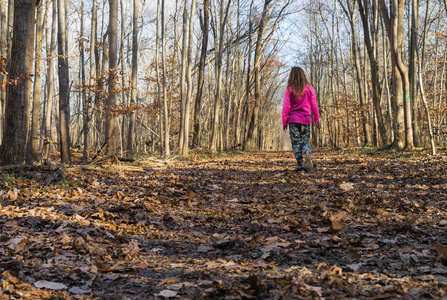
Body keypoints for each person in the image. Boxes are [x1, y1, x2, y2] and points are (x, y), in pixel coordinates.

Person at [282, 67, 320, 172]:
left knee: (296, 143)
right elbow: (314, 104)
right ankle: (307, 154)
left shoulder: (290, 88)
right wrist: (316, 119)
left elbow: (286, 106)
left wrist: (284, 121)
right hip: (306, 120)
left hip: (293, 120)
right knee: (305, 141)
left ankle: (300, 166)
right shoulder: (309, 88)